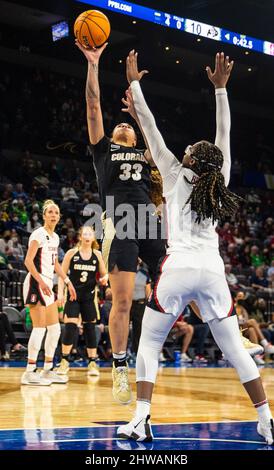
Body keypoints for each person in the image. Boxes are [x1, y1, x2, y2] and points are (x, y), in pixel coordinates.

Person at [116, 51, 274, 445]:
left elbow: (150, 127)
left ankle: (140, 419)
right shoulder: (218, 179)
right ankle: (267, 419)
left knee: (149, 342)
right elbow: (225, 134)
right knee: (236, 349)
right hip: (213, 271)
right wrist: (221, 90)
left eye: (188, 148)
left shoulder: (171, 172)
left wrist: (136, 85)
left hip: (178, 268)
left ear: (189, 159)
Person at [76, 40, 166, 404]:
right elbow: (94, 105)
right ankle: (118, 365)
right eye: (121, 126)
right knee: (123, 302)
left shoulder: (146, 154)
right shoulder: (103, 150)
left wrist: (139, 110)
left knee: (185, 270)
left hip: (148, 218)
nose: (124, 127)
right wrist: (94, 63)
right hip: (119, 222)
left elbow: (155, 138)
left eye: (129, 126)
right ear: (112, 138)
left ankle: (228, 330)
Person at [21, 200, 77, 386]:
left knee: (55, 329)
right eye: (50, 212)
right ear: (44, 215)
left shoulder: (55, 238)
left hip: (46, 283)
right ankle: (29, 372)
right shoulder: (38, 234)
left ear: (59, 217)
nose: (53, 215)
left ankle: (47, 370)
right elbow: (28, 262)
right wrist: (41, 282)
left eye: (56, 212)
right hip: (36, 283)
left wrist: (68, 282)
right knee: (39, 328)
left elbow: (55, 264)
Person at [56, 225, 108, 377]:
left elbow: (105, 276)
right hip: (73, 296)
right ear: (80, 237)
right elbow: (61, 275)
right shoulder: (71, 253)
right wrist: (60, 294)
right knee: (70, 326)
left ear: (93, 238)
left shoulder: (97, 255)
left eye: (89, 233)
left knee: (90, 328)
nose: (86, 236)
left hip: (89, 297)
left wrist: (105, 279)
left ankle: (92, 362)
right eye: (84, 233)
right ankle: (64, 361)